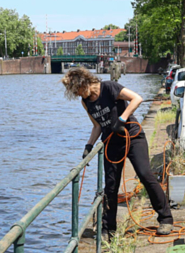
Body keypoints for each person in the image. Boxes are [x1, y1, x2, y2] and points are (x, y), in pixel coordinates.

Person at [62, 67, 173, 237]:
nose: (77, 94)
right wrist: (89, 146)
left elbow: (137, 98)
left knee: (145, 174)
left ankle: (165, 218)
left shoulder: (109, 87)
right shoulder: (86, 102)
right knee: (111, 186)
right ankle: (108, 229)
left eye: (77, 90)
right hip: (111, 143)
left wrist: (122, 119)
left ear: (84, 83)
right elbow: (97, 125)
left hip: (132, 136)